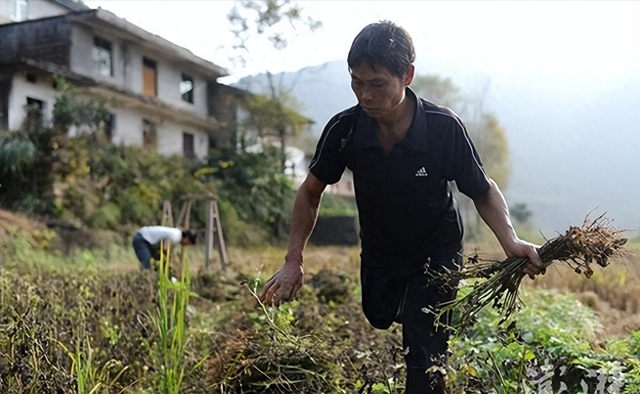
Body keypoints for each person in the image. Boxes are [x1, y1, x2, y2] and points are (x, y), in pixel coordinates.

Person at [260, 20, 546, 394]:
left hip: (436, 251)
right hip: (381, 251)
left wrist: (510, 240)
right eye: (356, 83)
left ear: (407, 75)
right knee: (378, 315)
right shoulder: (344, 130)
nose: (365, 95)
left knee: (424, 352)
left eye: (377, 84)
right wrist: (293, 259)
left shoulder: (443, 128)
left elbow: (481, 189)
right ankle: (410, 314)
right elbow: (310, 192)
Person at [132, 226, 196, 270]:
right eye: (188, 243)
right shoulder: (177, 237)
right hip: (142, 239)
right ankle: (144, 281)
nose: (186, 245)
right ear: (187, 239)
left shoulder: (177, 233)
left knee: (155, 260)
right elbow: (164, 248)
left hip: (148, 239)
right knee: (146, 262)